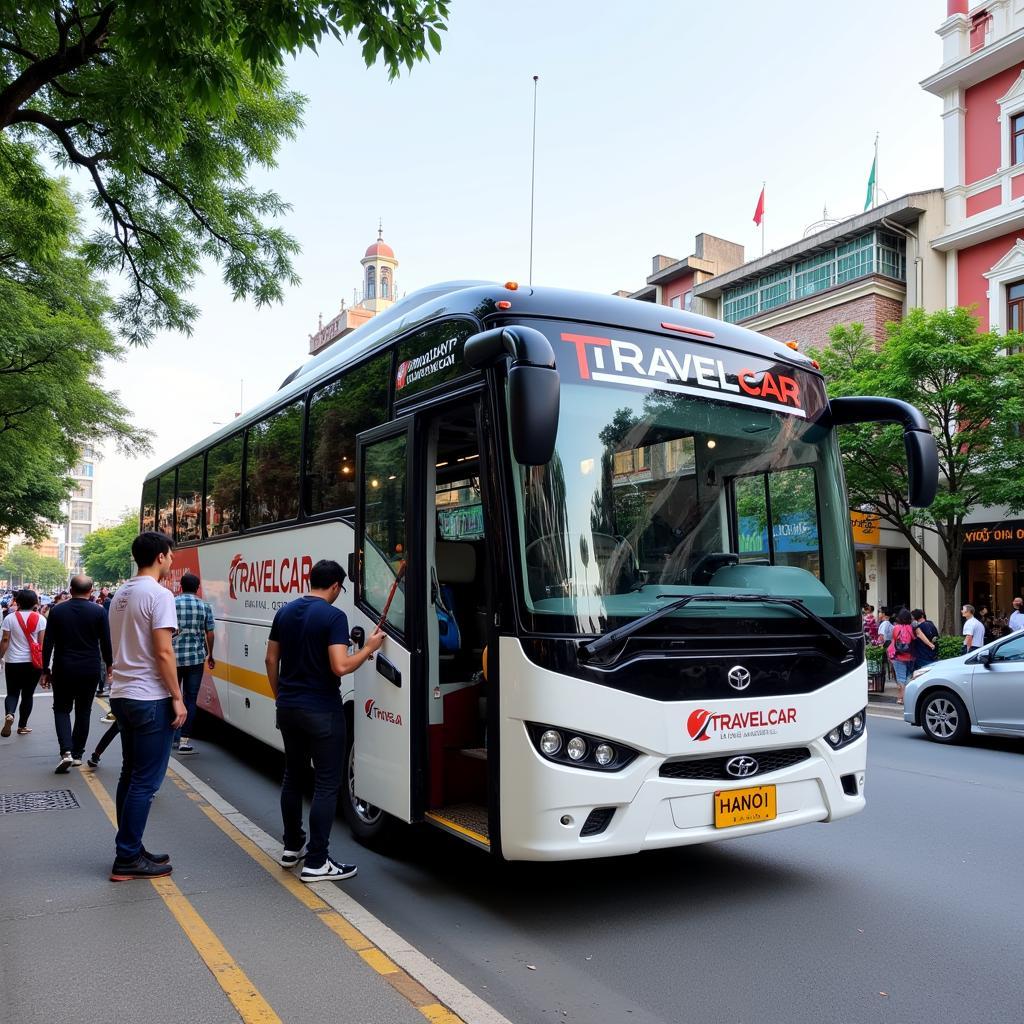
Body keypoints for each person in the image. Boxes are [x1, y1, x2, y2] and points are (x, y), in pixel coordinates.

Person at [265, 559, 383, 883]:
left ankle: (292, 847)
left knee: (293, 776)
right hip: (322, 711)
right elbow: (340, 666)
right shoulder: (334, 616)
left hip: (288, 707)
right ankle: (317, 860)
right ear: (334, 586)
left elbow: (270, 658)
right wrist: (369, 648)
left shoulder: (285, 612)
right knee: (327, 784)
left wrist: (281, 695)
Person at [107, 532, 185, 882]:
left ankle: (130, 846)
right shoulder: (159, 594)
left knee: (130, 773)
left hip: (122, 693)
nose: (172, 562)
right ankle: (127, 856)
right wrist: (178, 697)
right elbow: (164, 651)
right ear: (161, 556)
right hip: (149, 696)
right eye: (170, 555)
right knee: (146, 782)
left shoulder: (121, 593)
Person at [41, 574, 113, 773]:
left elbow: (48, 643)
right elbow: (106, 642)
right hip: (89, 668)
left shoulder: (57, 611)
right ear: (91, 592)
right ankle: (78, 754)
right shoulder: (98, 612)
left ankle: (66, 752)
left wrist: (45, 669)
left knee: (61, 709)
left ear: (70, 590)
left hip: (63, 667)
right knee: (84, 711)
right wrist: (109, 665)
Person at [172, 572, 215, 755]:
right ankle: (184, 740)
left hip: (173, 658)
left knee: (174, 696)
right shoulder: (204, 606)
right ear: (198, 588)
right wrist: (210, 654)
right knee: (191, 698)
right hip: (196, 658)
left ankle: (172, 736)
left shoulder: (171, 603)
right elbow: (210, 633)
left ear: (180, 586)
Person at [1, 590, 46, 737]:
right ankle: (22, 726)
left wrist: (0, 656)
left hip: (13, 662)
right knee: (27, 695)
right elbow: (42, 644)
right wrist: (45, 667)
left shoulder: (9, 618)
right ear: (35, 603)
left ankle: (10, 714)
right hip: (32, 663)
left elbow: (5, 640)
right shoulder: (40, 619)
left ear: (17, 602)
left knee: (12, 693)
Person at [888, 608, 916, 706]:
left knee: (901, 679)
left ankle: (902, 698)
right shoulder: (911, 628)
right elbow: (914, 639)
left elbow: (895, 639)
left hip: (898, 656)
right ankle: (907, 697)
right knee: (908, 677)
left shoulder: (896, 628)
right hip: (910, 656)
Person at [911, 609, 939, 679]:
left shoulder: (918, 628)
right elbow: (936, 637)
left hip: (921, 654)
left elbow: (919, 636)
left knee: (921, 674)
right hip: (932, 653)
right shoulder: (931, 624)